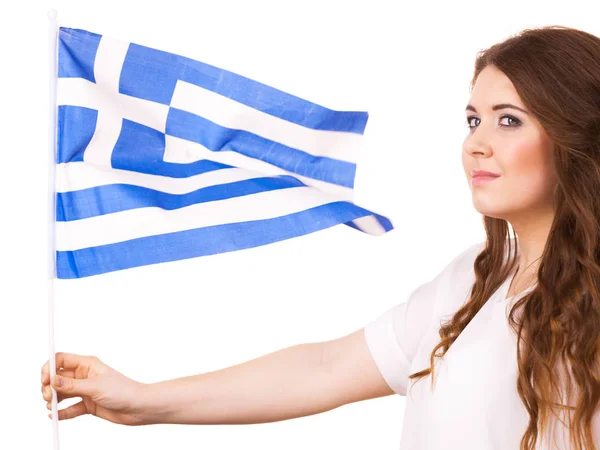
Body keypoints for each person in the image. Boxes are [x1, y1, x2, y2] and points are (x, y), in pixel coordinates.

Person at [41, 25, 600, 450]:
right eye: (473, 120)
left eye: (509, 120)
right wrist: (143, 401)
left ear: (575, 133)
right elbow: (325, 368)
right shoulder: (473, 280)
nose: (477, 144)